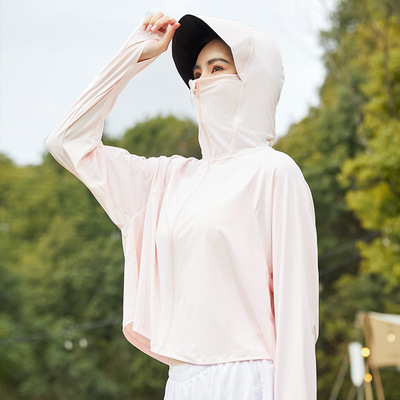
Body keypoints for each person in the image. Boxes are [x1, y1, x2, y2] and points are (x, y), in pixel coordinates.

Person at [46, 11, 319, 400]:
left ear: (255, 79)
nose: (202, 81)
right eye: (196, 73)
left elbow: (297, 317)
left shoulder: (274, 172)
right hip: (182, 380)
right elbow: (67, 142)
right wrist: (134, 55)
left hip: (248, 378)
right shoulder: (167, 181)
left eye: (218, 67)